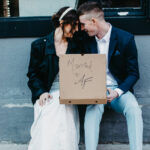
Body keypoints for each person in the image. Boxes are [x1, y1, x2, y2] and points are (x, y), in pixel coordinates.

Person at [77, 2, 143, 150]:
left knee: (134, 109)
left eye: (83, 24)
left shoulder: (126, 39)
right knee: (92, 111)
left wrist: (117, 91)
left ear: (93, 21)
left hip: (118, 89)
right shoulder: (85, 39)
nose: (81, 29)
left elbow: (134, 73)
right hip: (94, 89)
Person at [27, 7, 80, 150]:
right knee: (51, 108)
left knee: (63, 108)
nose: (76, 30)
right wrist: (41, 92)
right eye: (73, 25)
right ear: (62, 23)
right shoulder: (39, 45)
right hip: (47, 92)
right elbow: (33, 75)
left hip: (69, 94)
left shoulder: (76, 46)